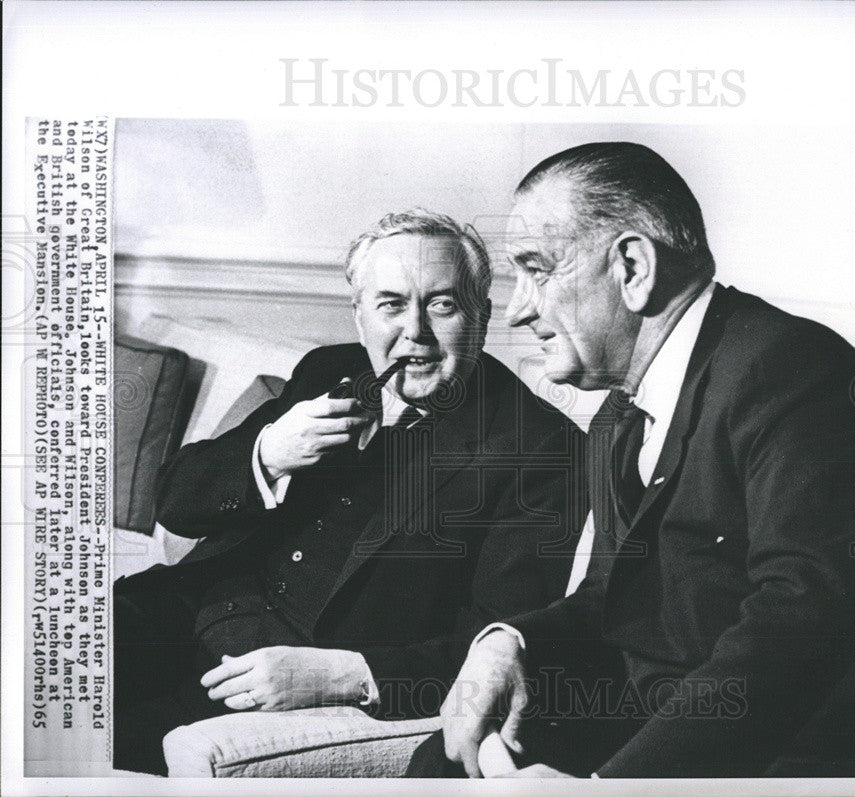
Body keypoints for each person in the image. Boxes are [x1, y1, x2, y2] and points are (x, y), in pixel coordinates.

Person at [407, 143, 855, 779]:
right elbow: (614, 601)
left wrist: (613, 789)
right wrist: (505, 643)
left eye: (537, 269)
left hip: (796, 761)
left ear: (632, 267)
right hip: (670, 731)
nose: (519, 309)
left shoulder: (793, 371)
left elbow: (800, 629)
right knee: (441, 764)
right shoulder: (618, 416)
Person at [113, 210, 586, 775]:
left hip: (283, 690)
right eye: (390, 304)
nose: (415, 331)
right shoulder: (328, 370)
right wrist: (267, 452)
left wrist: (341, 674)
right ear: (359, 316)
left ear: (481, 315)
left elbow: (495, 647)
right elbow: (176, 503)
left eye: (443, 304)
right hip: (179, 614)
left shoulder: (542, 450)